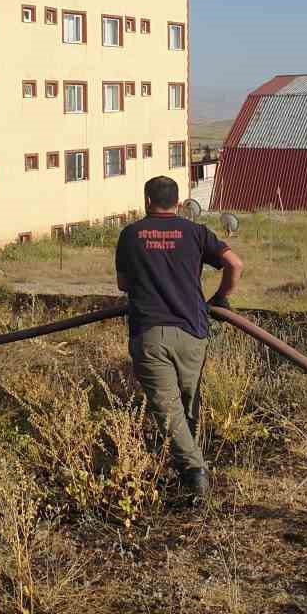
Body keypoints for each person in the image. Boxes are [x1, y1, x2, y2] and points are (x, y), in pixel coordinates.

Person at [116, 175, 244, 505]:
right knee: (187, 405)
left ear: (147, 201)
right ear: (179, 203)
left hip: (151, 333)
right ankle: (188, 470)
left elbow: (122, 284)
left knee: (168, 408)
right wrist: (221, 298)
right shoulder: (196, 232)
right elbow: (235, 263)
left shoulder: (130, 235)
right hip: (193, 331)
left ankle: (195, 473)